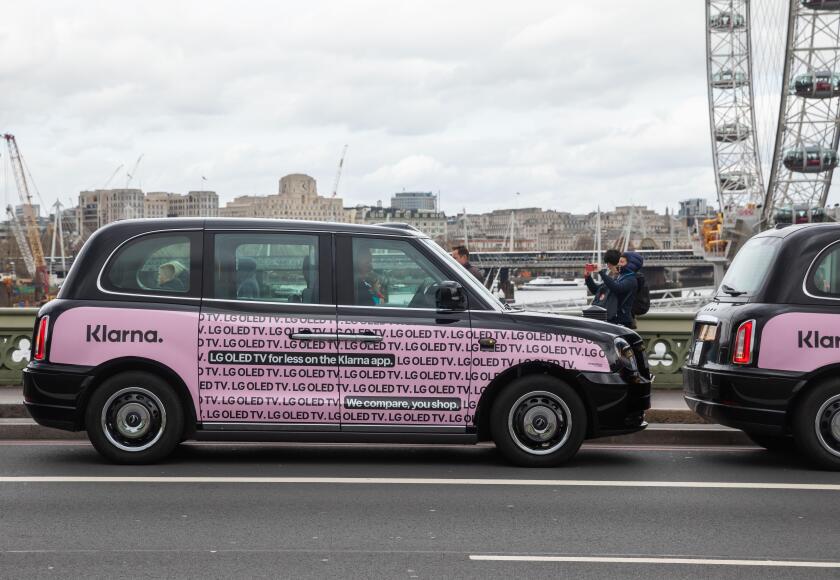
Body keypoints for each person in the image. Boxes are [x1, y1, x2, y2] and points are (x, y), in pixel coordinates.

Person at [598, 251, 640, 327]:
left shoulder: (630, 279)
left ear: (630, 263)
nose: (619, 264)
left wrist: (601, 272)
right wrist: (588, 278)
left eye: (621, 262)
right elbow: (597, 290)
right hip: (616, 318)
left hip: (623, 320)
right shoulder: (621, 277)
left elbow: (617, 288)